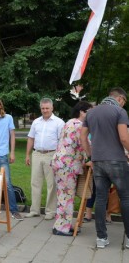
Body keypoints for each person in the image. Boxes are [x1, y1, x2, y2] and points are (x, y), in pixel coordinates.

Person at [80, 87, 129, 249]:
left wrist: (90, 155)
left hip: (98, 162)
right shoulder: (120, 112)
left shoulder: (91, 113)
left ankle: (101, 238)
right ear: (120, 98)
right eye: (124, 102)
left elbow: (83, 137)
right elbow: (123, 137)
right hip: (117, 161)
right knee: (126, 198)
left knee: (100, 198)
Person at [51, 101, 93, 236]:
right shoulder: (80, 126)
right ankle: (61, 228)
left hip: (60, 163)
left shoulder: (70, 122)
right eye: (90, 111)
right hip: (67, 165)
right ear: (82, 111)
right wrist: (91, 156)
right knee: (67, 196)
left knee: (63, 195)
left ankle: (63, 224)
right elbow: (84, 143)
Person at [25, 98, 65, 220]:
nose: (45, 110)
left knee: (51, 184)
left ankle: (50, 211)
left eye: (47, 108)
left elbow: (62, 141)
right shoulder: (36, 122)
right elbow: (31, 138)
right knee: (35, 182)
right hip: (37, 154)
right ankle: (34, 210)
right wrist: (27, 154)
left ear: (52, 108)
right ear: (40, 108)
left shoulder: (59, 122)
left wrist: (58, 157)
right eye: (43, 108)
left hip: (51, 154)